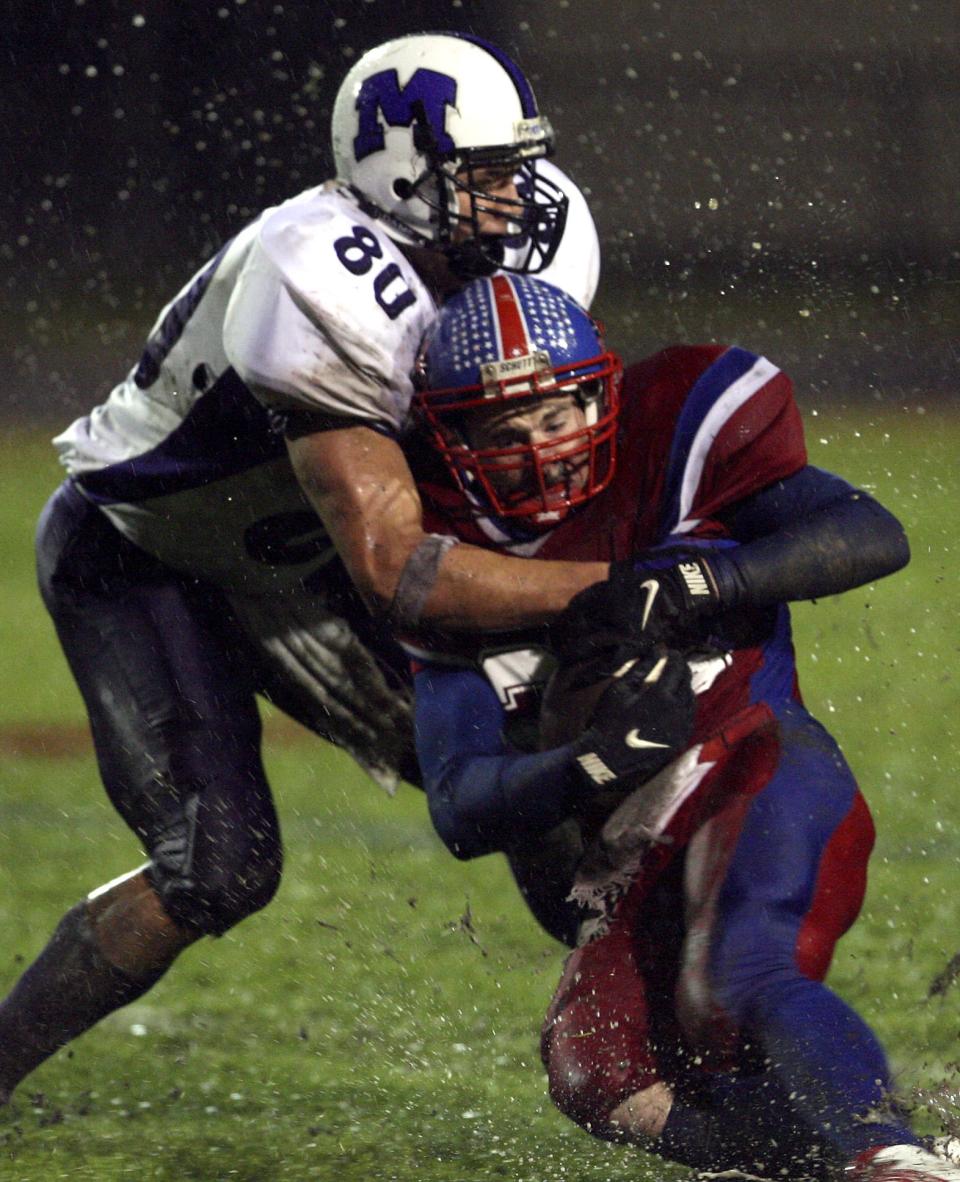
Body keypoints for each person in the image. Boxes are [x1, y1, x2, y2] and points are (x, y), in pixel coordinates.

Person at [0, 31, 612, 1105]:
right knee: (218, 864)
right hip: (147, 556)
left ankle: (660, 1035)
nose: (518, 200)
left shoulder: (523, 242)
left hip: (297, 556)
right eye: (488, 177)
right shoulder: (317, 269)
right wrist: (615, 586)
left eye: (519, 169)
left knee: (533, 778)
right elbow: (394, 569)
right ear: (402, 171)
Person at [405, 273, 959, 1181]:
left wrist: (705, 580)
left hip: (754, 758)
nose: (542, 451)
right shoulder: (451, 565)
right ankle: (831, 1164)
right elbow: (461, 803)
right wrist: (586, 765)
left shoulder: (674, 451)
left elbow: (871, 533)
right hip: (631, 840)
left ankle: (885, 1153)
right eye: (506, 435)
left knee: (733, 984)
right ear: (454, 444)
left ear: (603, 395)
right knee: (598, 1069)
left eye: (556, 418)